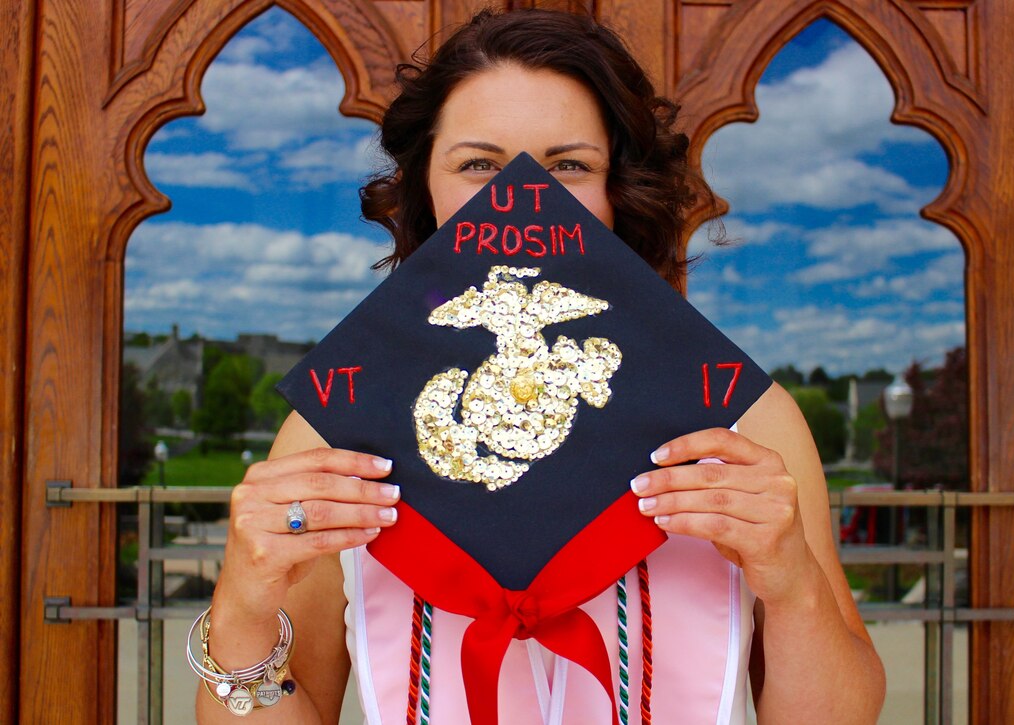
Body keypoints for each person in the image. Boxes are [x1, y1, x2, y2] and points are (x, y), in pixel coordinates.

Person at [195, 8, 885, 723]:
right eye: (479, 165)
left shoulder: (746, 424)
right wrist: (244, 603)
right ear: (423, 185)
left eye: (570, 165)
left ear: (620, 188)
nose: (519, 199)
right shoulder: (338, 433)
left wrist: (794, 582)